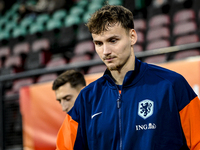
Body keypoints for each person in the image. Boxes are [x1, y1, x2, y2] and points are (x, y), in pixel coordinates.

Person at [56, 4, 200, 150]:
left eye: (113, 40)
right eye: (99, 43)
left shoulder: (171, 85)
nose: (105, 51)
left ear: (132, 37)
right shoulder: (87, 98)